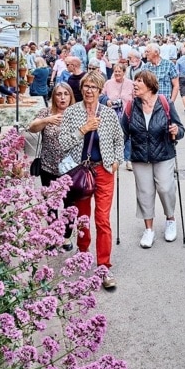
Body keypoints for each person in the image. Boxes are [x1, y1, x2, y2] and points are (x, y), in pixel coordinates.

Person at [59, 72, 124, 289]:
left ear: (99, 91)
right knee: (83, 217)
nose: (88, 90)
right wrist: (83, 130)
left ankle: (104, 266)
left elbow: (119, 139)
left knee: (102, 219)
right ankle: (83, 252)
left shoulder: (108, 113)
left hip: (104, 170)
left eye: (93, 87)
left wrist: (117, 160)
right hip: (81, 172)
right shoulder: (71, 113)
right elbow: (63, 144)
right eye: (86, 86)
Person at [121, 70, 184, 248]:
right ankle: (149, 230)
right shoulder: (131, 106)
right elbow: (123, 133)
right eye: (134, 81)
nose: (134, 84)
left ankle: (170, 219)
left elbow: (180, 128)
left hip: (164, 154)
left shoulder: (165, 103)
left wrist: (176, 131)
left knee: (165, 188)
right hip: (140, 156)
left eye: (139, 81)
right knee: (144, 193)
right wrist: (118, 154)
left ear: (149, 85)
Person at [28, 82, 76, 249]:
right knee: (50, 204)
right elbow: (32, 128)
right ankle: (52, 236)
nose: (62, 97)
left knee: (69, 205)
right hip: (48, 167)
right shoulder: (45, 112)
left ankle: (66, 238)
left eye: (66, 94)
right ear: (53, 97)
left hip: (70, 169)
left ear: (71, 96)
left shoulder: (77, 113)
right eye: (58, 94)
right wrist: (47, 120)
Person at [103, 63, 135, 170]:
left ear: (124, 72)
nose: (117, 73)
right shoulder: (108, 83)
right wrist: (107, 101)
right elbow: (101, 96)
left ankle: (128, 160)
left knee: (128, 137)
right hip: (112, 115)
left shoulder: (130, 84)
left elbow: (135, 98)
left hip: (127, 114)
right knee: (112, 137)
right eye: (115, 71)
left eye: (119, 71)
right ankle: (112, 159)